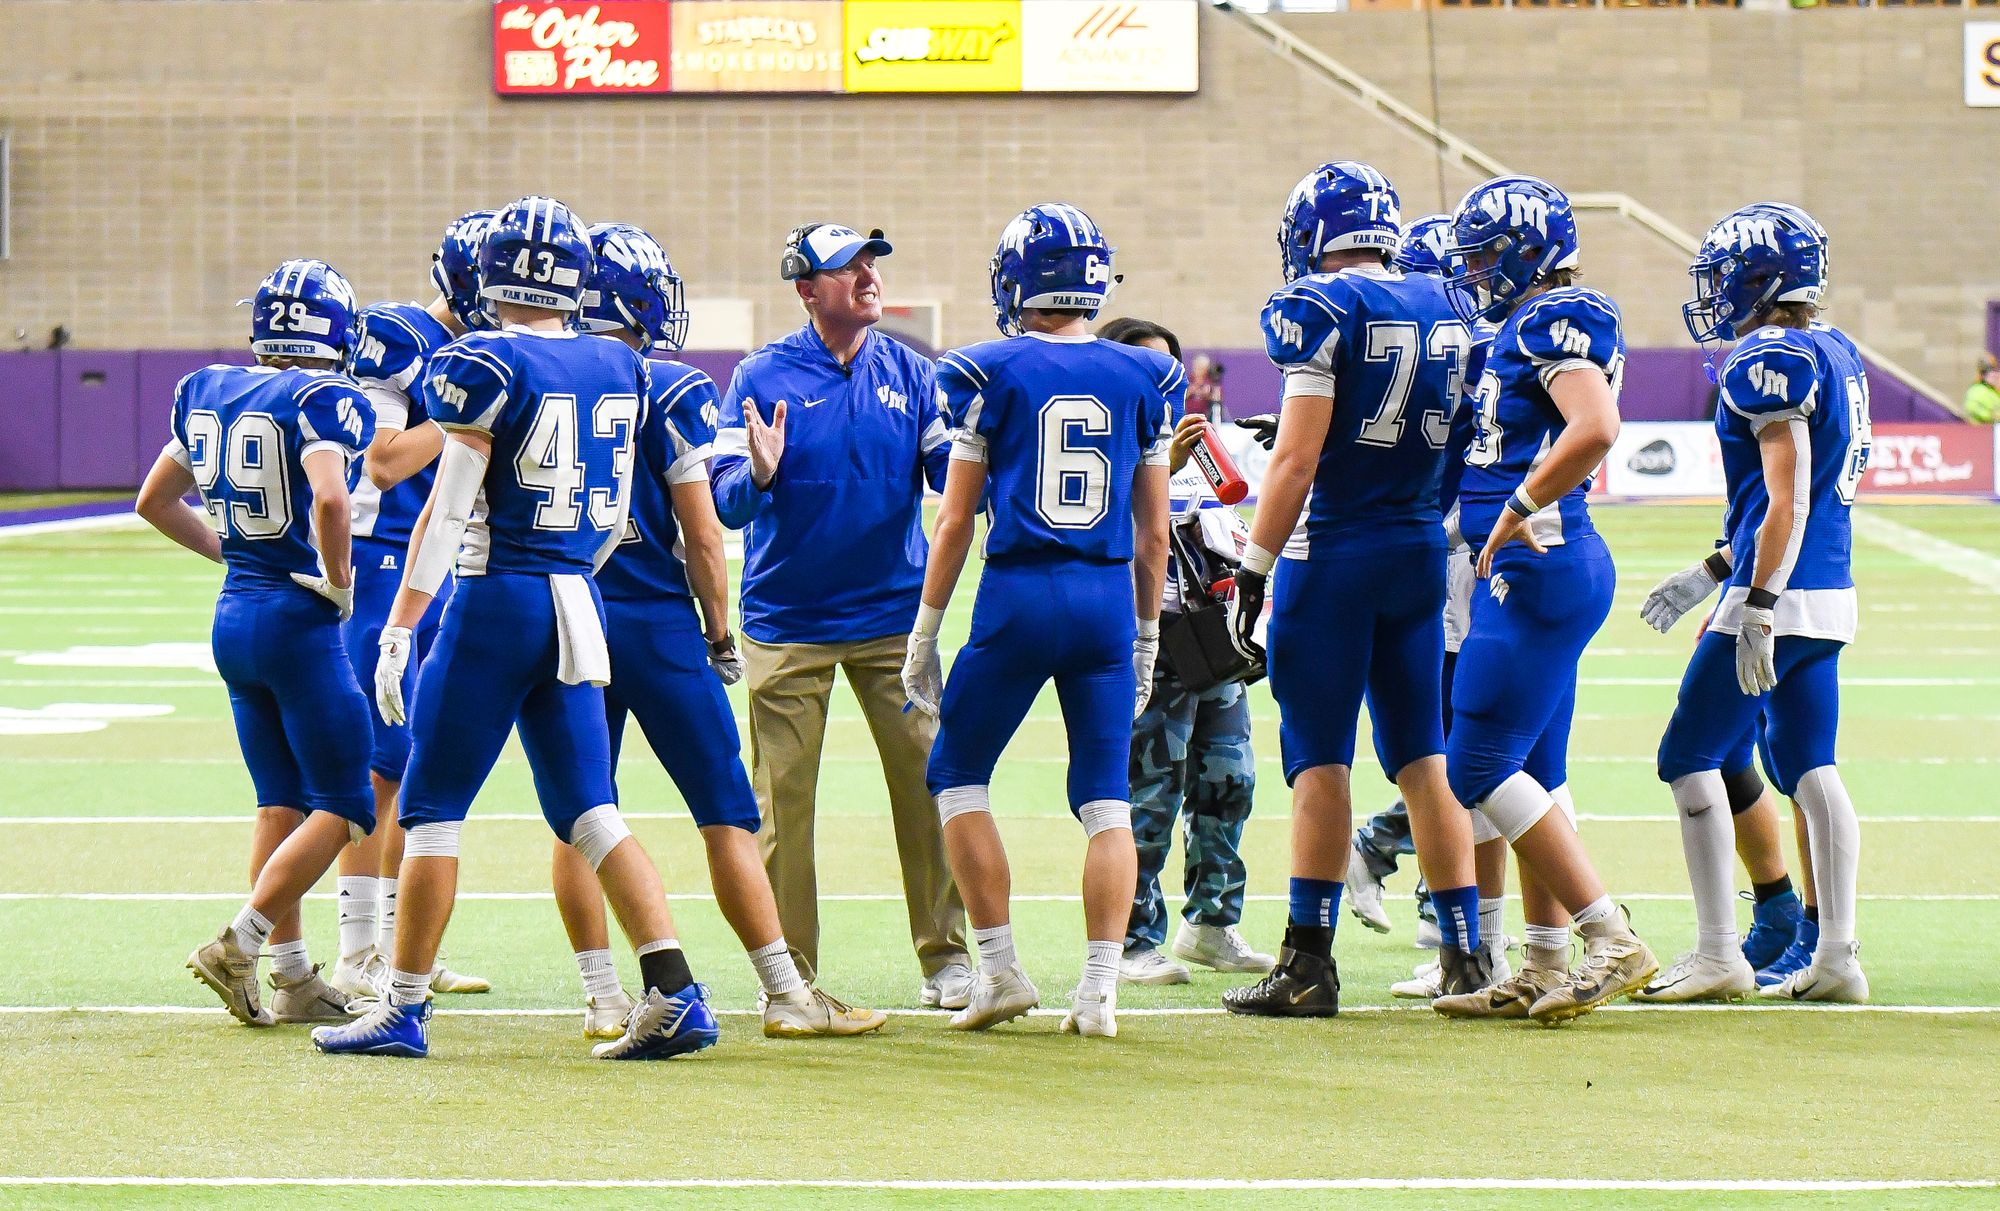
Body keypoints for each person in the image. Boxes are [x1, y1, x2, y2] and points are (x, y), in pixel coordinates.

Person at [312, 196, 716, 1060]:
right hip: (580, 593)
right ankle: (677, 988)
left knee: (430, 811)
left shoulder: (484, 359)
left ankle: (403, 1005)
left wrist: (400, 627)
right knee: (591, 809)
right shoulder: (618, 362)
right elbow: (613, 521)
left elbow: (449, 508)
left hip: (496, 596)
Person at [576, 220, 886, 1038]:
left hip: (568, 613)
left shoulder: (540, 376)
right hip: (654, 618)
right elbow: (706, 533)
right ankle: (785, 990)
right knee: (726, 812)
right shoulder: (669, 386)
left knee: (584, 808)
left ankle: (602, 992)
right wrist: (719, 627)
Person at [1216, 163, 1489, 1020]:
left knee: (1320, 760)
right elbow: (1451, 445)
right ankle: (1467, 955)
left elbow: (1295, 462)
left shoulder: (1321, 308)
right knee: (1423, 759)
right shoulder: (1447, 301)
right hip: (1413, 548)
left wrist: (1252, 571)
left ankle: (1306, 962)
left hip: (1331, 555)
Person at [903, 202, 1180, 1038]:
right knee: (1106, 802)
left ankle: (998, 969)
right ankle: (1098, 993)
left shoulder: (988, 369)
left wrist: (925, 629)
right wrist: (1147, 635)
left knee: (956, 773)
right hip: (1103, 598)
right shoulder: (1146, 375)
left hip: (1020, 593)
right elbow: (1154, 533)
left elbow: (954, 521)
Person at [712, 222, 970, 1007]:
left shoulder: (913, 372)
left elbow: (952, 474)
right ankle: (791, 974)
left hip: (896, 618)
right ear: (807, 289)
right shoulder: (760, 374)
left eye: (871, 264)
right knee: (781, 805)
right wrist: (757, 473)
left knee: (932, 783)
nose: (867, 276)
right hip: (788, 623)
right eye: (846, 266)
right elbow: (725, 501)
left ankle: (947, 957)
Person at [1425, 175, 1658, 1025]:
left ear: (1527, 252)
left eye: (1487, 253)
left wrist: (1519, 505)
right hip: (1542, 564)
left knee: (1476, 764)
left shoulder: (1557, 316)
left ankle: (1610, 935)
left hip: (1541, 561)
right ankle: (1546, 961)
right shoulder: (1526, 323)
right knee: (1536, 772)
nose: (1476, 269)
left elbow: (1594, 426)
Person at [1637, 201, 1870, 1003]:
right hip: (1830, 590)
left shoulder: (1768, 356)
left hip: (1780, 595)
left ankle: (1718, 953)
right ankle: (1837, 954)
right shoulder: (1833, 350)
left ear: (1761, 278)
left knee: (1687, 756)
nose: (1715, 291)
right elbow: (1787, 507)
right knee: (1809, 765)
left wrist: (1757, 601)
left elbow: (1788, 497)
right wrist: (1710, 570)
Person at [138, 259, 375, 1028]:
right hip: (296, 621)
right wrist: (338, 580)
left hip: (235, 613)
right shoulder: (322, 396)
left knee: (280, 802)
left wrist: (230, 553)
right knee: (345, 805)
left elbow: (154, 500)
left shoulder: (209, 386)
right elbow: (332, 497)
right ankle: (239, 941)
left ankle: (294, 977)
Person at [327, 211, 497, 1003]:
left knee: (417, 763)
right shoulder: (397, 334)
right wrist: (468, 410)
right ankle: (355, 950)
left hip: (435, 567)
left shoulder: (479, 345)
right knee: (379, 768)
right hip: (383, 561)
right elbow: (386, 460)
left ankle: (398, 947)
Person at [1096, 316, 1273, 987]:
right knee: (1148, 794)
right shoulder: (1101, 442)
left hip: (1212, 637)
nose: (1164, 381)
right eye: (1148, 367)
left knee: (1229, 783)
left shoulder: (1197, 446)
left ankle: (1211, 922)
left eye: (1170, 368)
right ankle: (1133, 938)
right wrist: (1159, 471)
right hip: (1147, 641)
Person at [1964, 353, 1999, 424]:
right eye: (1990, 372)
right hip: (1980, 431)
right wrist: (1993, 416)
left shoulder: (1994, 391)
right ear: (1982, 374)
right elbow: (1972, 409)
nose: (1995, 375)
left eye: (1995, 371)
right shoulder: (1976, 390)